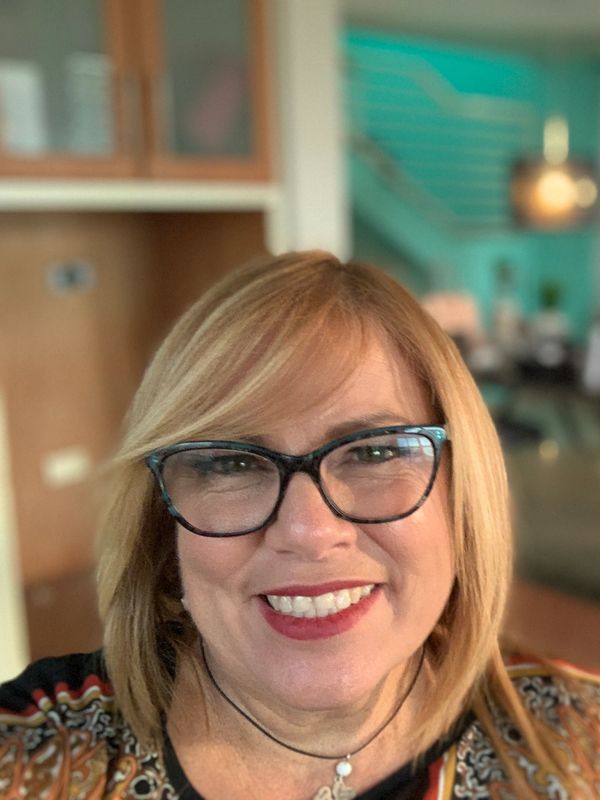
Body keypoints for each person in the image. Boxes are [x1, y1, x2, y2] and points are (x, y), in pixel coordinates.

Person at [0, 251, 598, 800]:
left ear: (463, 493)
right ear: (162, 522)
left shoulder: (579, 745)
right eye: (232, 463)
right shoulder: (34, 755)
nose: (310, 532)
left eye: (374, 453)